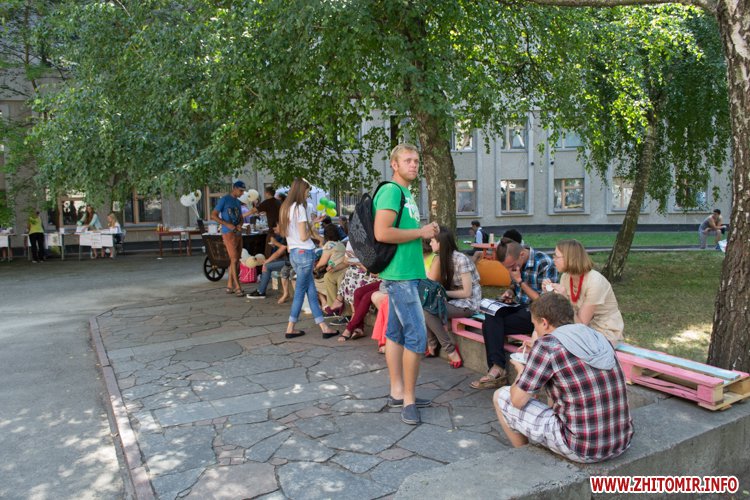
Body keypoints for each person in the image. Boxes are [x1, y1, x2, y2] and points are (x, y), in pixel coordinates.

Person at [494, 292, 633, 463]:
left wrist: (521, 370)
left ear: (544, 322)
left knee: (501, 396)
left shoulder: (547, 346)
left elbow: (517, 401)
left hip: (582, 448)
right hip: (621, 441)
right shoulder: (596, 336)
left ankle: (526, 460)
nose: (535, 330)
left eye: (535, 325)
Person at [374, 143, 439, 425]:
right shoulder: (391, 191)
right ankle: (409, 401)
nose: (414, 164)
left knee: (396, 333)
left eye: (416, 160)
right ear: (395, 165)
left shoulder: (406, 193)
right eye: (408, 160)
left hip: (407, 273)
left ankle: (397, 392)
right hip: (400, 276)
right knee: (417, 336)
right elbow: (382, 232)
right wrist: (421, 232)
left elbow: (403, 232)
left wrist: (423, 233)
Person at [470, 240, 558, 389]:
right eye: (507, 267)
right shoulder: (515, 262)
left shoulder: (545, 263)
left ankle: (497, 370)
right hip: (520, 307)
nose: (510, 269)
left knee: (491, 325)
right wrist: (510, 291)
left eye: (511, 266)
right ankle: (497, 367)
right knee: (491, 315)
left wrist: (520, 281)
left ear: (522, 254)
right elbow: (515, 287)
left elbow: (545, 303)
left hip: (538, 314)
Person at [278, 177, 339, 339]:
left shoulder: (286, 208)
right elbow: (304, 236)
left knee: (311, 291)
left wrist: (313, 222)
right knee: (300, 292)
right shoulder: (299, 208)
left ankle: (324, 327)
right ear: (301, 191)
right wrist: (313, 224)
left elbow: (289, 233)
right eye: (307, 191)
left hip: (294, 253)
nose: (307, 194)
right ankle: (290, 327)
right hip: (305, 253)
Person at [544, 240, 624, 347]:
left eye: (556, 256)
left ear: (570, 258)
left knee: (559, 343)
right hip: (579, 328)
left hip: (604, 331)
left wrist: (565, 300)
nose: (553, 259)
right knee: (544, 332)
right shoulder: (566, 277)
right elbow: (562, 315)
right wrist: (549, 294)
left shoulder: (595, 281)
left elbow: (581, 325)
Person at [424, 226, 482, 368]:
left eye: (432, 241)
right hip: (453, 301)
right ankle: (433, 344)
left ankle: (449, 350)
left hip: (468, 303)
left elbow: (467, 293)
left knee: (427, 309)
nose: (430, 243)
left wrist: (442, 293)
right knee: (424, 303)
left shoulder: (461, 259)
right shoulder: (441, 259)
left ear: (441, 242)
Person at [211, 181, 246, 297]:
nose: (242, 193)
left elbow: (241, 217)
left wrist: (240, 224)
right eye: (241, 190)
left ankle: (230, 285)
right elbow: (213, 215)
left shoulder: (237, 202)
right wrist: (226, 224)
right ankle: (237, 287)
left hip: (237, 233)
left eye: (243, 191)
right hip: (228, 233)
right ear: (234, 188)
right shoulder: (224, 200)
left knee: (235, 260)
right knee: (234, 259)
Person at [246, 222, 288, 299]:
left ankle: (261, 291)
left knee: (267, 266)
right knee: (267, 264)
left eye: (276, 228)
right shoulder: (286, 236)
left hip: (291, 261)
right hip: (288, 260)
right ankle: (260, 290)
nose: (275, 231)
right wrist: (267, 261)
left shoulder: (288, 236)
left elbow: (280, 252)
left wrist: (275, 243)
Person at [248, 186, 282, 255]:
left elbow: (253, 210)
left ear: (267, 193)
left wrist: (242, 215)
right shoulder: (279, 202)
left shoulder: (267, 202)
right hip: (281, 230)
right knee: (279, 250)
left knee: (268, 251)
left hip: (272, 230)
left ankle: (268, 261)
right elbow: (274, 212)